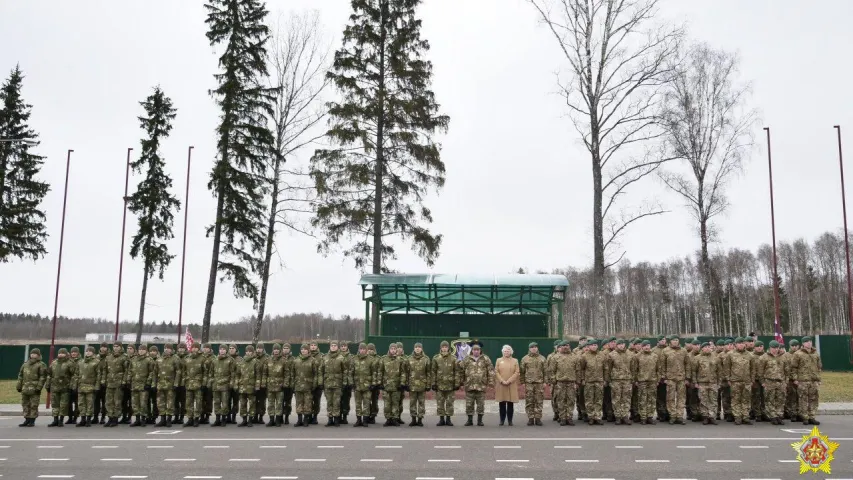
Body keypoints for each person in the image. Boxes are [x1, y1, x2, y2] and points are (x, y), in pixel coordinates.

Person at [459, 342, 494, 427]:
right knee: (469, 404)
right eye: (474, 349)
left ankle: (480, 420)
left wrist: (491, 382)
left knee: (481, 404)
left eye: (478, 349)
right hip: (469, 385)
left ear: (480, 350)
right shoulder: (467, 359)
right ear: (472, 350)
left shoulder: (485, 358)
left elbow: (491, 371)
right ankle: (469, 420)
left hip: (481, 386)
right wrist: (460, 382)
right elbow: (461, 371)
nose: (476, 351)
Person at [791, 336, 822, 425]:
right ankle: (805, 417)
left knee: (814, 399)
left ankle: (812, 416)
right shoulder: (798, 354)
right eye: (807, 342)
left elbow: (819, 367)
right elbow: (793, 368)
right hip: (803, 381)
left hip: (814, 380)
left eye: (810, 341)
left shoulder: (815, 353)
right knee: (803, 399)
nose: (809, 343)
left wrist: (819, 379)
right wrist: (795, 379)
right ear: (803, 344)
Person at [724, 337, 755, 425]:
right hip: (735, 381)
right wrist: (728, 379)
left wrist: (752, 380)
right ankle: (737, 417)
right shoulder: (730, 354)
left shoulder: (749, 355)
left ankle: (745, 417)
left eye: (742, 343)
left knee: (746, 399)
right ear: (735, 345)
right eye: (739, 343)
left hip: (747, 381)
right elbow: (727, 368)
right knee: (735, 399)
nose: (741, 345)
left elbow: (753, 369)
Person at [757, 340, 787, 425]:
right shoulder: (764, 357)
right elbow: (760, 371)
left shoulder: (783, 357)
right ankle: (773, 416)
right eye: (773, 348)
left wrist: (786, 382)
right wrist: (762, 382)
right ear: (770, 348)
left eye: (777, 347)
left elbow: (787, 370)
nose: (775, 349)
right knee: (770, 400)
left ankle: (779, 416)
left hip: (781, 382)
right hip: (769, 382)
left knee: (780, 400)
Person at [46, 347, 78, 427]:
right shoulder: (54, 363)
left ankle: (61, 420)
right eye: (59, 353)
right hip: (55, 387)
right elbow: (49, 375)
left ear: (66, 354)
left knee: (63, 405)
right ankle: (55, 420)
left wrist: (72, 386)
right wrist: (48, 385)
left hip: (65, 388)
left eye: (63, 353)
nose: (61, 354)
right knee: (55, 405)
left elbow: (74, 375)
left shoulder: (70, 363)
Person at [661, 335, 689, 425]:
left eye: (677, 340)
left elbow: (687, 364)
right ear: (670, 341)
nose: (675, 341)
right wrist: (664, 377)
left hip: (681, 378)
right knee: (670, 398)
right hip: (670, 379)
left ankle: (680, 416)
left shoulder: (683, 351)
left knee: (681, 398)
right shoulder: (665, 351)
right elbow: (662, 365)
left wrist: (687, 378)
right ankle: (672, 416)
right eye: (673, 340)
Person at [692, 342, 721, 425]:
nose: (708, 348)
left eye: (709, 347)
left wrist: (719, 382)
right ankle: (705, 417)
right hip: (702, 382)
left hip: (713, 382)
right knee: (703, 400)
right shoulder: (697, 358)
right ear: (702, 349)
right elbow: (694, 371)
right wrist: (695, 382)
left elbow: (719, 371)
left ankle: (712, 417)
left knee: (713, 400)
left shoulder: (715, 358)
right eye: (706, 347)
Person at [552, 341, 580, 426]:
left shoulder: (574, 357)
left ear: (569, 346)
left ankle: (569, 417)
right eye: (563, 345)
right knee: (561, 401)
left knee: (571, 400)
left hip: (571, 382)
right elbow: (552, 370)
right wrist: (554, 381)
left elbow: (578, 370)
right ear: (561, 347)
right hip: (560, 382)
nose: (565, 347)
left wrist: (577, 382)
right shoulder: (556, 357)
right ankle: (563, 418)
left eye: (567, 345)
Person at [606, 339, 634, 425]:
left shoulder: (630, 354)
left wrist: (632, 379)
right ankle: (618, 416)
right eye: (620, 344)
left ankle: (625, 416)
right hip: (616, 380)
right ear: (616, 345)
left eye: (623, 344)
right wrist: (609, 380)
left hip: (627, 380)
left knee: (626, 399)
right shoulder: (611, 355)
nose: (622, 345)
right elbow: (608, 369)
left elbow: (632, 368)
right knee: (616, 399)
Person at [17, 347, 47, 427]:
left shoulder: (41, 365)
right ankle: (26, 419)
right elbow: (20, 375)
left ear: (38, 355)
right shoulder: (25, 364)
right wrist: (19, 386)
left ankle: (32, 420)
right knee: (25, 404)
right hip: (25, 388)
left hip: (34, 389)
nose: (33, 355)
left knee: (34, 405)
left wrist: (39, 387)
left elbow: (42, 377)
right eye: (32, 353)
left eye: (35, 354)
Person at [432, 340, 458, 426]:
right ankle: (441, 419)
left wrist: (456, 383)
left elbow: (456, 372)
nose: (444, 348)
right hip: (440, 385)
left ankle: (448, 419)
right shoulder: (436, 358)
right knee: (440, 403)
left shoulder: (453, 358)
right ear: (440, 348)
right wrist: (433, 383)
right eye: (443, 347)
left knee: (450, 403)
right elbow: (433, 372)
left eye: (446, 347)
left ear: (448, 348)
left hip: (450, 385)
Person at [154, 343, 181, 428]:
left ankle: (169, 420)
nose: (166, 349)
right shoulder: (159, 360)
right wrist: (154, 384)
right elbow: (155, 373)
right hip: (160, 385)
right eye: (165, 348)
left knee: (170, 403)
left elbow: (178, 372)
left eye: (168, 348)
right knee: (160, 403)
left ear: (172, 350)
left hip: (170, 385)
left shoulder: (175, 359)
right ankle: (162, 420)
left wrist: (176, 384)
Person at [292, 344, 319, 427]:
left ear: (308, 350)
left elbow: (316, 374)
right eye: (302, 349)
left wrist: (314, 384)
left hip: (308, 386)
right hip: (298, 386)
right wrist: (293, 384)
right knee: (299, 403)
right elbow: (292, 374)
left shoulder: (313, 361)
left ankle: (306, 420)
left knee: (308, 403)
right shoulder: (296, 361)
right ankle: (299, 420)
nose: (303, 350)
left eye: (305, 349)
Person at [322, 340, 348, 427]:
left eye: (335, 345)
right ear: (330, 347)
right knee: (329, 402)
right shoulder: (325, 358)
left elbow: (345, 371)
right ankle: (330, 419)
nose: (333, 347)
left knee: (336, 402)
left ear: (337, 347)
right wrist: (321, 382)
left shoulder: (341, 358)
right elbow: (321, 371)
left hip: (337, 384)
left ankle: (336, 419)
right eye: (332, 345)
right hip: (327, 383)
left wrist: (344, 382)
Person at [520, 341, 546, 426]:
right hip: (529, 383)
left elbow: (546, 371)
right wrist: (523, 382)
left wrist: (545, 382)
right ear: (529, 349)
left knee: (539, 401)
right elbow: (522, 372)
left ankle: (538, 418)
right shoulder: (525, 359)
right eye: (532, 347)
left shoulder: (542, 358)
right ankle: (530, 418)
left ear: (537, 348)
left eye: (535, 347)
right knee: (529, 401)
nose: (534, 348)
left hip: (539, 383)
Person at [405, 342, 431, 427]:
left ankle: (420, 419)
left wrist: (428, 385)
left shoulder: (426, 359)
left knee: (421, 403)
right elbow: (406, 372)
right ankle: (413, 419)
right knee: (412, 403)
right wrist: (406, 384)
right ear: (414, 348)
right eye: (416, 347)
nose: (417, 348)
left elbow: (428, 373)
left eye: (419, 347)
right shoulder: (409, 359)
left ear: (422, 349)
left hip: (422, 385)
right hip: (412, 385)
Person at [352, 343, 378, 427]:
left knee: (366, 403)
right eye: (361, 349)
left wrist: (373, 384)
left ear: (366, 350)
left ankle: (365, 420)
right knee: (358, 403)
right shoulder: (354, 359)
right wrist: (352, 383)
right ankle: (358, 420)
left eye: (364, 349)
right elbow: (351, 372)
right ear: (359, 350)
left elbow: (374, 373)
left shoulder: (370, 359)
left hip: (367, 385)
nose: (362, 350)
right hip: (357, 385)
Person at [633, 340, 659, 424]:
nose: (647, 347)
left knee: (651, 399)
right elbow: (635, 370)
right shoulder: (637, 356)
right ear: (642, 347)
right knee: (642, 399)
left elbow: (659, 369)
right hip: (642, 381)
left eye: (648, 345)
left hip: (652, 381)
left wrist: (657, 380)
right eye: (645, 346)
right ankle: (643, 417)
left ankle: (650, 416)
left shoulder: (655, 356)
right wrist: (636, 380)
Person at [104, 342, 129, 427]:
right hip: (110, 382)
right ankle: (110, 418)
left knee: (117, 401)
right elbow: (105, 370)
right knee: (109, 402)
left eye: (117, 346)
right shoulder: (108, 357)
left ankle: (115, 419)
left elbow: (127, 371)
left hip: (119, 383)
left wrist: (124, 381)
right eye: (114, 346)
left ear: (121, 347)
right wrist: (104, 380)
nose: (115, 348)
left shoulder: (124, 357)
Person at [74, 346, 100, 427]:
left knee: (90, 404)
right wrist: (75, 385)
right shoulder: (80, 362)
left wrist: (97, 386)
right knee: (81, 403)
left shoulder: (96, 362)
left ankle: (88, 419)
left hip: (90, 386)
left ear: (93, 352)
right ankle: (83, 419)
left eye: (90, 351)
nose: (88, 352)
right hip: (81, 386)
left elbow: (98, 375)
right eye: (87, 351)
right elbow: (76, 374)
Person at [129, 344, 154, 427]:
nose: (141, 351)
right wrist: (128, 381)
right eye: (140, 349)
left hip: (143, 385)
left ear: (146, 351)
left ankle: (143, 419)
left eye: (143, 349)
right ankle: (137, 419)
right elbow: (130, 371)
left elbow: (151, 372)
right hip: (134, 384)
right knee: (135, 403)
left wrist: (148, 383)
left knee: (143, 403)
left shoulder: (149, 360)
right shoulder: (133, 360)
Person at [379, 343, 404, 426]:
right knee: (387, 404)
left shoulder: (400, 360)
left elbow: (403, 373)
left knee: (395, 403)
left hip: (396, 386)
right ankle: (388, 419)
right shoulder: (384, 359)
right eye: (391, 349)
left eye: (394, 349)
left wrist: (402, 383)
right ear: (389, 349)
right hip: (386, 385)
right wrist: (380, 383)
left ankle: (394, 419)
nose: (393, 350)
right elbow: (380, 371)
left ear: (396, 350)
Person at [265, 343, 289, 427]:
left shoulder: (283, 360)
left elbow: (286, 373)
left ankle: (278, 420)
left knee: (279, 404)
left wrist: (285, 383)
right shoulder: (268, 359)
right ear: (273, 350)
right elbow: (265, 373)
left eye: (277, 349)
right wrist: (264, 383)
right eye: (274, 349)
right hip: (270, 385)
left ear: (280, 350)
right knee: (270, 403)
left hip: (280, 385)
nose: (276, 351)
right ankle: (271, 420)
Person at [494, 344, 519, 426]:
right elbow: (496, 372)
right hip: (501, 385)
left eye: (508, 351)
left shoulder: (515, 361)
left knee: (510, 403)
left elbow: (517, 372)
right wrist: (502, 381)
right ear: (502, 352)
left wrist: (509, 381)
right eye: (505, 351)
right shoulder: (498, 360)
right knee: (502, 403)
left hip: (511, 385)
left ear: (511, 352)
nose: (506, 352)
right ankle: (502, 420)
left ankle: (510, 421)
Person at [236, 345, 261, 427]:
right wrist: (237, 385)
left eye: (250, 351)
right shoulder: (241, 362)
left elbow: (258, 375)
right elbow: (238, 375)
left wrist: (257, 386)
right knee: (242, 404)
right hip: (242, 386)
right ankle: (244, 420)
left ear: (253, 352)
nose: (248, 352)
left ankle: (250, 420)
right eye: (247, 351)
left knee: (252, 403)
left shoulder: (256, 362)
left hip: (251, 386)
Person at [182, 343, 207, 427]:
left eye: (196, 347)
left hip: (198, 384)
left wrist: (204, 383)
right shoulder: (187, 358)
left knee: (198, 402)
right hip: (188, 383)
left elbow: (205, 372)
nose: (194, 349)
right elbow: (184, 372)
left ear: (199, 349)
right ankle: (190, 418)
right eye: (193, 347)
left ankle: (196, 418)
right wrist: (184, 381)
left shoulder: (203, 359)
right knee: (188, 402)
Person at [211, 344, 236, 427]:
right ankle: (217, 419)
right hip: (216, 385)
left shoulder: (230, 360)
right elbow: (211, 373)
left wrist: (231, 383)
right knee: (216, 403)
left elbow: (233, 373)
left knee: (225, 403)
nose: (222, 350)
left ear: (226, 350)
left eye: (223, 349)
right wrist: (211, 382)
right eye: (220, 349)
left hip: (225, 386)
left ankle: (224, 419)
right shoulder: (214, 360)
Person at [308, 341, 324, 424]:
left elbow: (321, 371)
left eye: (314, 345)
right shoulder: (307, 355)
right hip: (309, 383)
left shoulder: (320, 356)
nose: (313, 347)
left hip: (318, 383)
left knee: (316, 401)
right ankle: (309, 416)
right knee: (309, 400)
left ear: (317, 347)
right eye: (312, 345)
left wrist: (320, 383)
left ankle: (315, 416)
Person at [784, 339, 800, 420]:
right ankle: (790, 413)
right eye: (792, 346)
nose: (794, 347)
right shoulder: (786, 355)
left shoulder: (801, 354)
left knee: (799, 396)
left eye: (796, 345)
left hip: (800, 379)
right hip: (789, 380)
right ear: (789, 346)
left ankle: (798, 412)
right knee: (790, 397)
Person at [253, 343, 268, 424]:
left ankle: (261, 417)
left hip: (263, 383)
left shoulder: (266, 358)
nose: (258, 349)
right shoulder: (253, 357)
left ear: (263, 349)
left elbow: (267, 372)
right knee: (254, 400)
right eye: (257, 348)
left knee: (262, 401)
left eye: (260, 348)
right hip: (253, 383)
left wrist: (264, 383)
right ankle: (255, 416)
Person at [94, 342, 109, 424]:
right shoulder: (96, 357)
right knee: (96, 401)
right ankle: (95, 417)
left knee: (104, 401)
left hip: (106, 383)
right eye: (102, 347)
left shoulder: (109, 357)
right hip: (97, 382)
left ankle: (103, 417)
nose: (103, 348)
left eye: (104, 347)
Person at [339, 342, 353, 424]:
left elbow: (352, 370)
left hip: (348, 383)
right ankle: (339, 415)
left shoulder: (350, 357)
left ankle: (345, 416)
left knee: (346, 400)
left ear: (347, 347)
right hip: (339, 382)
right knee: (339, 400)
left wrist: (350, 382)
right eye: (342, 346)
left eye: (345, 346)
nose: (343, 347)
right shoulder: (338, 356)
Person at [280, 344, 295, 424]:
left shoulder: (293, 359)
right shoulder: (280, 359)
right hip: (280, 384)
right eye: (284, 348)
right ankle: (281, 416)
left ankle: (287, 417)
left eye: (287, 348)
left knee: (288, 402)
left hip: (289, 385)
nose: (285, 350)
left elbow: (294, 372)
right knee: (280, 401)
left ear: (290, 349)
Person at [366, 343, 381, 423]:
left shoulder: (378, 359)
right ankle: (367, 415)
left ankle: (373, 415)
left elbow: (380, 371)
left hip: (375, 384)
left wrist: (378, 383)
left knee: (374, 401)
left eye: (371, 349)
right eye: (368, 349)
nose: (370, 351)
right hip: (366, 384)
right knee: (367, 401)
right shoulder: (364, 358)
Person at [201, 343, 215, 424]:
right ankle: (201, 415)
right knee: (201, 400)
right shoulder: (200, 357)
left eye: (207, 348)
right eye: (204, 348)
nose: (205, 349)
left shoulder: (213, 358)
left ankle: (207, 416)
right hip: (201, 382)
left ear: (210, 349)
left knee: (209, 400)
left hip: (210, 382)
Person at [227, 344, 242, 424]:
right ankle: (228, 417)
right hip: (227, 383)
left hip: (237, 383)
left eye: (233, 348)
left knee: (236, 401)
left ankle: (234, 417)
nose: (231, 349)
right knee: (227, 401)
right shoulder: (226, 358)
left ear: (236, 350)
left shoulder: (240, 359)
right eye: (230, 348)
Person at [174, 342, 188, 424]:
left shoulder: (188, 357)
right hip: (175, 383)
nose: (181, 349)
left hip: (184, 383)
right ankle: (176, 416)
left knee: (183, 401)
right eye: (180, 348)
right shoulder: (174, 358)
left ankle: (182, 417)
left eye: (183, 348)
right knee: (175, 401)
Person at [66, 346, 81, 425]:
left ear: (78, 353)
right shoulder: (68, 361)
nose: (73, 353)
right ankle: (70, 418)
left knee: (77, 403)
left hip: (78, 385)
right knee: (68, 403)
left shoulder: (81, 361)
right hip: (69, 385)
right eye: (72, 352)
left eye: (75, 352)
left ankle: (75, 418)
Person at [146, 346, 160, 424]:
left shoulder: (159, 360)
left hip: (156, 384)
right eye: (151, 351)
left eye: (154, 351)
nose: (152, 352)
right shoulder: (147, 360)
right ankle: (148, 416)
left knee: (155, 401)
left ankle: (154, 417)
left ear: (157, 352)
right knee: (147, 401)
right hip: (147, 384)